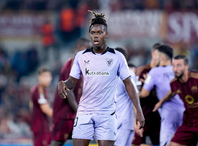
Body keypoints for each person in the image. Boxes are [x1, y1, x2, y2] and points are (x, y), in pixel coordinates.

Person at [58, 10, 145, 146]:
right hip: (85, 112)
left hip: (107, 114)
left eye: (99, 32)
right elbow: (72, 82)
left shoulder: (117, 57)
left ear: (106, 34)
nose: (96, 36)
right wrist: (63, 84)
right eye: (93, 33)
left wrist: (138, 111)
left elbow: (129, 84)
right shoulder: (81, 56)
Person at [139, 45, 185, 146]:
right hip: (184, 112)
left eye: (156, 55)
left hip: (168, 115)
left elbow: (144, 93)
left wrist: (135, 91)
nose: (155, 57)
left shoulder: (155, 72)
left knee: (166, 143)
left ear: (162, 58)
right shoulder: (178, 70)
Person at [51, 37, 91, 146]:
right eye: (87, 49)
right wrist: (79, 111)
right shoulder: (70, 65)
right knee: (57, 142)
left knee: (82, 139)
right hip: (65, 114)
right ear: (79, 48)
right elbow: (68, 91)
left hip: (73, 114)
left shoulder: (81, 65)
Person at [153, 55, 198, 146]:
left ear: (186, 67)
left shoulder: (196, 79)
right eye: (173, 65)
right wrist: (160, 102)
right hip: (188, 122)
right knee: (172, 144)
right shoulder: (174, 83)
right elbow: (172, 92)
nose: (175, 69)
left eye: (178, 65)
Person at [132, 43, 161, 146]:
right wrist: (135, 118)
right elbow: (135, 95)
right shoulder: (141, 71)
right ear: (153, 54)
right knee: (136, 143)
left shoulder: (164, 72)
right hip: (143, 114)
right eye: (159, 55)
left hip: (159, 116)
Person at [114, 47, 139, 146]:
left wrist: (136, 118)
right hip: (118, 122)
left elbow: (135, 96)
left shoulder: (127, 73)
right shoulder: (112, 75)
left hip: (123, 121)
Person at [30, 67, 53, 146]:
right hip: (40, 127)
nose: (47, 79)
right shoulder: (38, 90)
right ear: (39, 77)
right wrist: (59, 115)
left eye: (49, 76)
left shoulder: (44, 90)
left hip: (45, 126)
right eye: (44, 76)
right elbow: (45, 108)